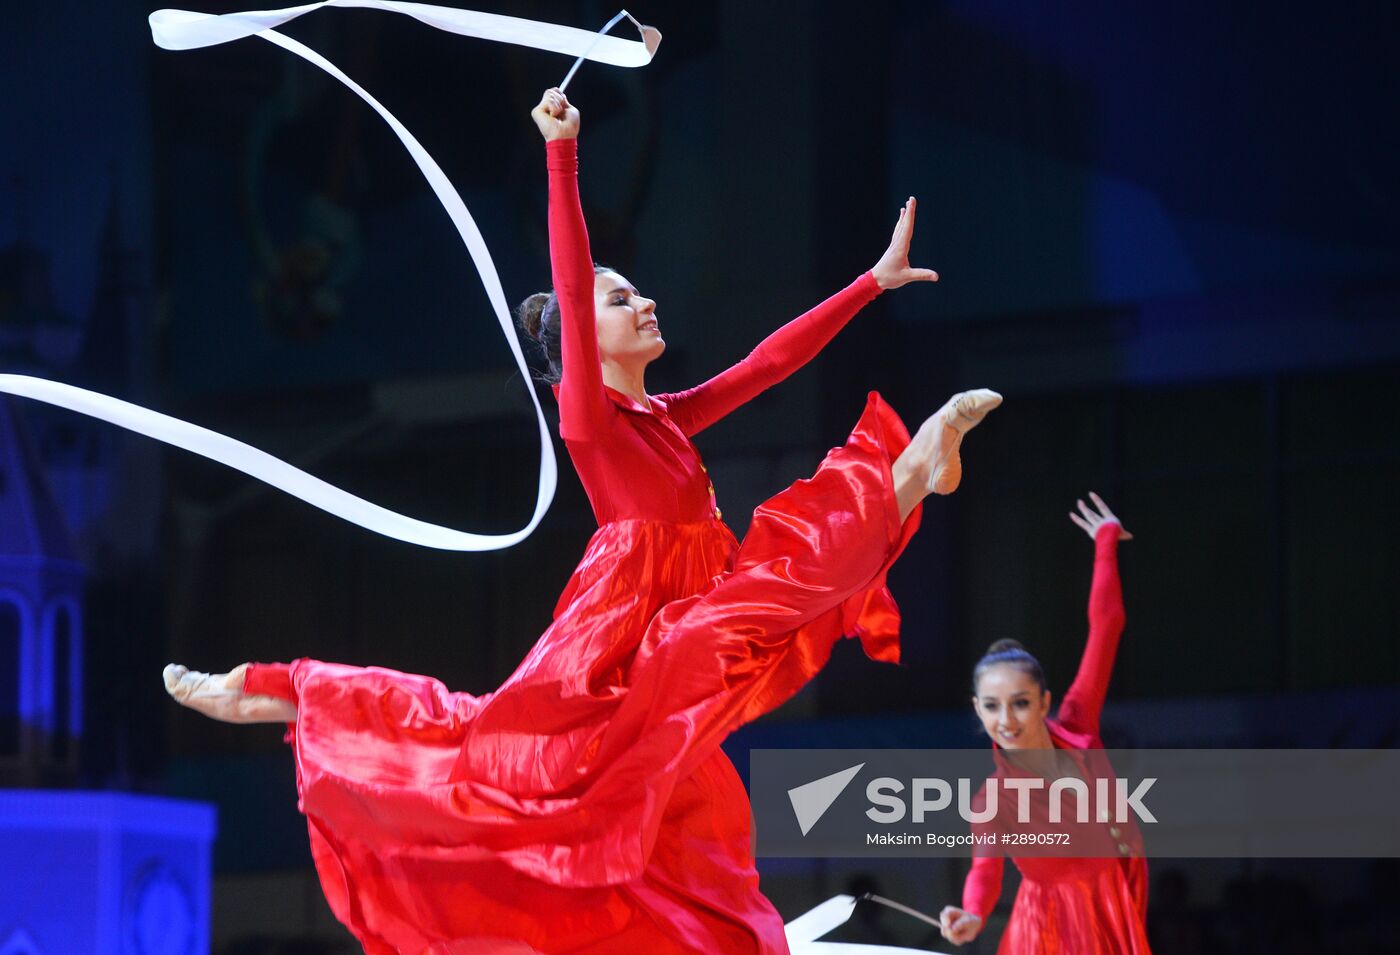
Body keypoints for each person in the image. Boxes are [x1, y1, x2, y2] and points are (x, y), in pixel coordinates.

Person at [164, 87, 1001, 954]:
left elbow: (769, 361)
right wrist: (561, 155)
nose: (642, 303)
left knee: (688, 798)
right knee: (478, 739)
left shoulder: (669, 417)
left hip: (694, 636)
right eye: (618, 299)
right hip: (624, 640)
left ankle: (910, 474)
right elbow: (568, 276)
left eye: (636, 292)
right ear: (577, 349)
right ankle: (280, 688)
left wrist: (871, 283)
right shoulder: (587, 421)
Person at [937, 492, 1147, 953]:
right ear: (977, 709)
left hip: (1111, 904)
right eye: (991, 706)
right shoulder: (991, 799)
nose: (1005, 719)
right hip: (1050, 929)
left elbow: (1107, 625)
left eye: (1020, 702)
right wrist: (972, 913)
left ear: (1045, 701)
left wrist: (1106, 542)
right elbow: (985, 870)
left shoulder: (1079, 723)